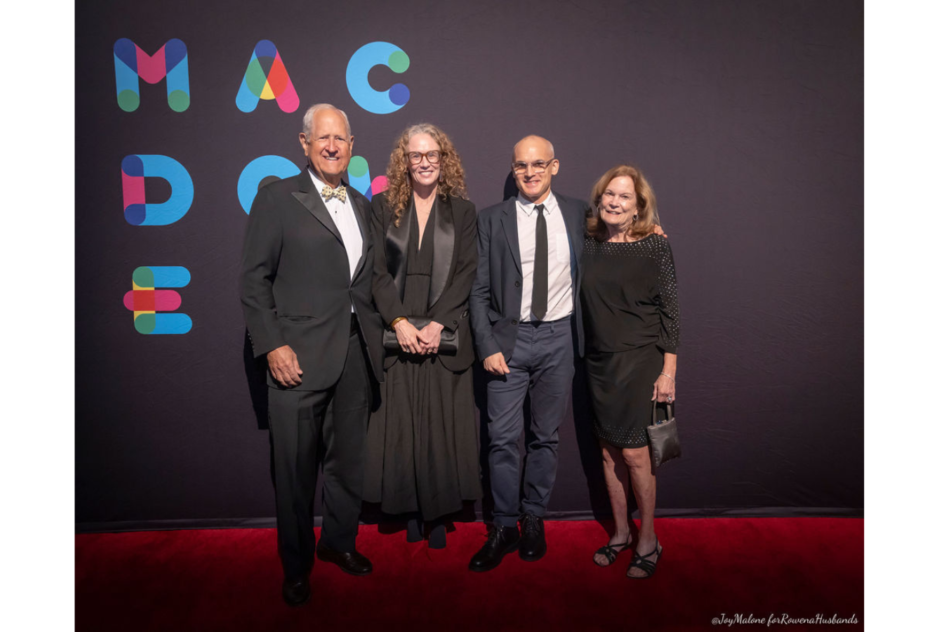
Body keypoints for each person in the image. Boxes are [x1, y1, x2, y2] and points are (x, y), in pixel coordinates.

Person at [240, 103, 384, 606]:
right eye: (321, 138)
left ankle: (338, 544)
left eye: (340, 139)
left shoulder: (364, 204)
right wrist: (273, 344)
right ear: (304, 144)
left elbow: (370, 283)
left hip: (354, 354)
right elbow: (254, 281)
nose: (331, 146)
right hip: (296, 359)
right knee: (295, 473)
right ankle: (296, 565)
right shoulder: (278, 197)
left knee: (347, 464)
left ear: (352, 145)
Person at [467, 136, 590, 571]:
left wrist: (650, 230)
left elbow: (619, 237)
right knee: (501, 440)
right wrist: (486, 346)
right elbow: (478, 291)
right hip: (508, 342)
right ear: (513, 169)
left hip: (560, 339)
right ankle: (503, 526)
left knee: (545, 437)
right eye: (522, 165)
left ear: (555, 166)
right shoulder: (491, 219)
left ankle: (533, 517)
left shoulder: (579, 214)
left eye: (539, 164)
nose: (530, 172)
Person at [364, 123, 482, 548]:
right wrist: (397, 322)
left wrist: (438, 324)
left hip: (440, 333)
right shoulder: (381, 207)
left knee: (439, 424)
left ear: (443, 159)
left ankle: (438, 515)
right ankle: (408, 509)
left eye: (433, 154)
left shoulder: (464, 211)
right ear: (404, 161)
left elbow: (467, 270)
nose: (426, 162)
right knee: (401, 424)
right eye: (417, 155)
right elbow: (375, 273)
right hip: (398, 332)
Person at [580, 165, 679, 579]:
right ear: (599, 198)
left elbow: (670, 313)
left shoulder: (654, 247)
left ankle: (648, 539)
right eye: (609, 194)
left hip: (641, 362)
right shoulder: (587, 241)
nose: (614, 202)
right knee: (607, 452)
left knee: (637, 455)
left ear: (639, 208)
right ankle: (620, 533)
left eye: (624, 198)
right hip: (599, 363)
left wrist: (668, 372)